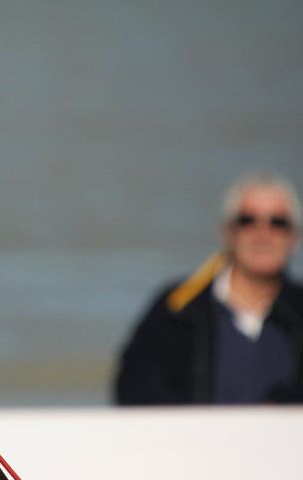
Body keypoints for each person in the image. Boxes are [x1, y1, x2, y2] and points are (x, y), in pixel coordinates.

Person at [115, 171, 303, 405]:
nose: (262, 234)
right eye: (247, 221)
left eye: (278, 223)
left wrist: (282, 407)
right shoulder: (178, 308)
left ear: (295, 237)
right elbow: (134, 388)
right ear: (227, 232)